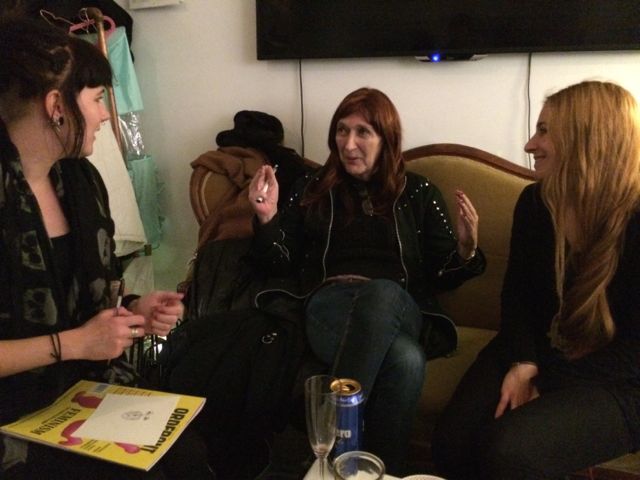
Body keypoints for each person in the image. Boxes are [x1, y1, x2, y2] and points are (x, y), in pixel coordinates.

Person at [0, 16, 214, 479]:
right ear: (56, 106)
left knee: (190, 455)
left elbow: (79, 299)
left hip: (83, 390)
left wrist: (132, 310)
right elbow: (74, 334)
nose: (104, 115)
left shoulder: (81, 182)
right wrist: (76, 343)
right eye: (97, 99)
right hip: (14, 412)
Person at [249, 87, 485, 475]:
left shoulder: (419, 192)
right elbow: (278, 263)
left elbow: (444, 278)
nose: (349, 143)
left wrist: (465, 250)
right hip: (329, 306)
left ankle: (330, 445)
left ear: (386, 139)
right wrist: (267, 217)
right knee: (406, 360)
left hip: (399, 308)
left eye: (363, 132)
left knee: (383, 293)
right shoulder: (313, 188)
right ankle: (382, 472)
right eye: (342, 130)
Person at [431, 80, 640, 480]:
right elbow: (517, 297)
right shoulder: (534, 203)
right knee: (452, 443)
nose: (530, 145)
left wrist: (547, 382)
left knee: (509, 451)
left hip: (620, 379)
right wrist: (524, 361)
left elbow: (634, 351)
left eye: (544, 131)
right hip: (537, 349)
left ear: (585, 138)